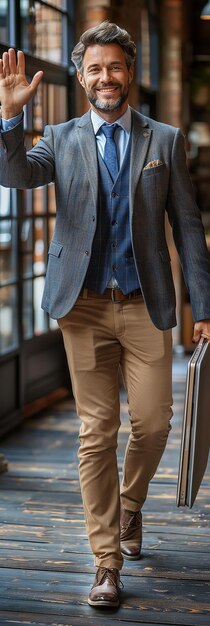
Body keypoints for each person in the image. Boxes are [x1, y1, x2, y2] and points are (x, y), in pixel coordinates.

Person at [1, 20, 210, 609]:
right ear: (84, 76)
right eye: (94, 68)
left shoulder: (164, 140)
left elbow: (188, 228)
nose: (104, 77)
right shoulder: (59, 136)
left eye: (114, 66)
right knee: (97, 434)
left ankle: (131, 505)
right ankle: (106, 562)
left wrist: (206, 308)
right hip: (83, 307)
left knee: (153, 423)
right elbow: (15, 176)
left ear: (130, 72)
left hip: (147, 304)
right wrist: (11, 120)